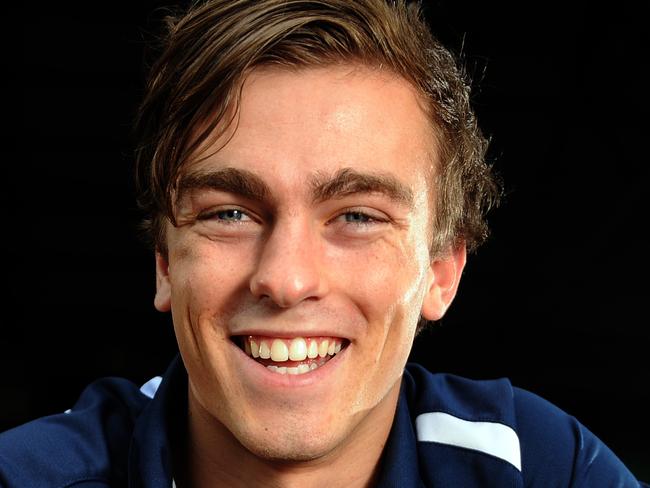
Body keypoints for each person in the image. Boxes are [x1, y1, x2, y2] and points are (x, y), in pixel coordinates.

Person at [1, 0, 646, 486]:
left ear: (442, 270)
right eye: (230, 213)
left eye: (358, 217)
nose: (284, 279)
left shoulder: (539, 466)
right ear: (166, 260)